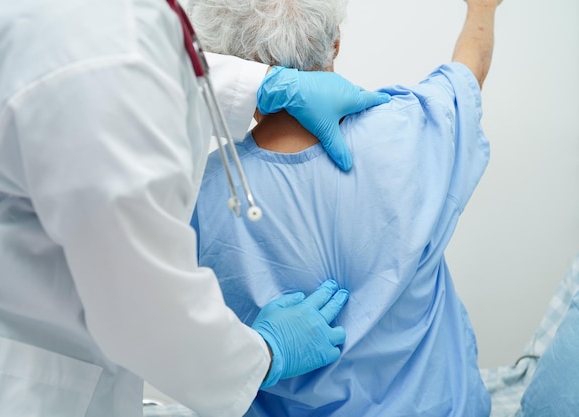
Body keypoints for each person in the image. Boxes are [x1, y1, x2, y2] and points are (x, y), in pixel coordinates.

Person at [0, 1, 391, 417]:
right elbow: (140, 299)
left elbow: (134, 63)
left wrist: (263, 86)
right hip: (8, 383)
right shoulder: (99, 48)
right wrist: (266, 354)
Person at [189, 0, 503, 415]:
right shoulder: (413, 127)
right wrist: (482, 9)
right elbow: (468, 72)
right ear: (335, 44)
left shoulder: (201, 197)